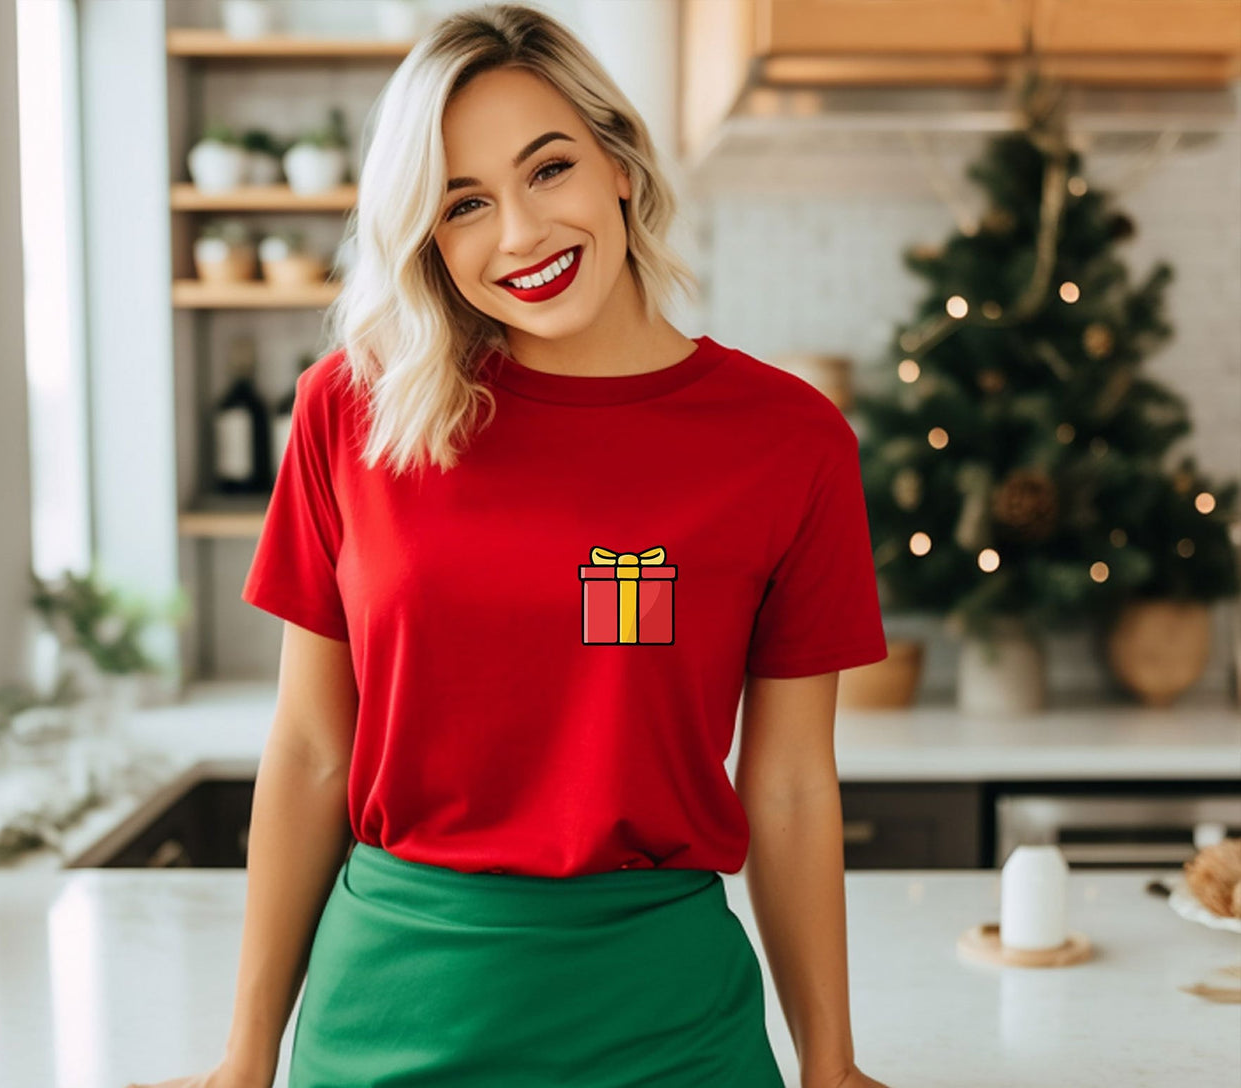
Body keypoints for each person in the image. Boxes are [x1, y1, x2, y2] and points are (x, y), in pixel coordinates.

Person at [131, 4, 894, 1087]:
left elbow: (787, 785)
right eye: (463, 205)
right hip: (384, 1016)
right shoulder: (350, 412)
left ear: (617, 163)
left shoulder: (785, 439)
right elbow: (308, 748)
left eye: (547, 170)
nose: (521, 234)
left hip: (666, 1025)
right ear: (427, 240)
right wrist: (244, 1057)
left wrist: (830, 1061)